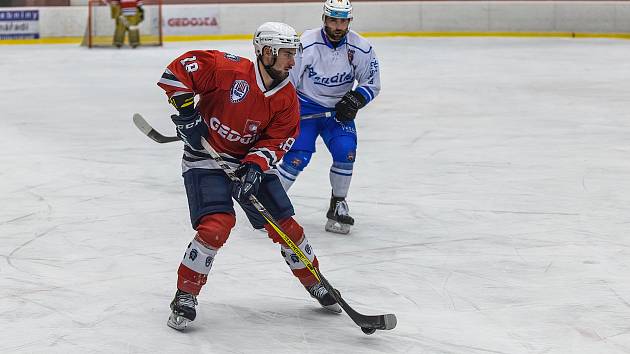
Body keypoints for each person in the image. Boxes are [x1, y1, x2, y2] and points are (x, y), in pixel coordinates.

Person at [157, 22, 341, 331]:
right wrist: (188, 114)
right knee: (217, 225)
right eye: (285, 54)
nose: (292, 62)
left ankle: (314, 280)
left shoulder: (286, 98)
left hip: (246, 162)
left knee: (287, 226)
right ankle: (185, 294)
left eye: (293, 54)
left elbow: (279, 140)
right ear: (265, 52)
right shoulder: (227, 69)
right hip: (205, 158)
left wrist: (256, 166)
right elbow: (176, 73)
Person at [277, 0, 381, 234]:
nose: (337, 26)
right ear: (324, 19)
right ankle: (271, 204)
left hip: (338, 112)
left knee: (346, 152)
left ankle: (338, 204)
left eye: (342, 21)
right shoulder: (306, 44)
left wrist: (356, 99)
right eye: (333, 20)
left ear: (349, 22)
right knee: (297, 157)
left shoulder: (361, 48)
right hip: (304, 107)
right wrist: (285, 111)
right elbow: (288, 81)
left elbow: (371, 83)